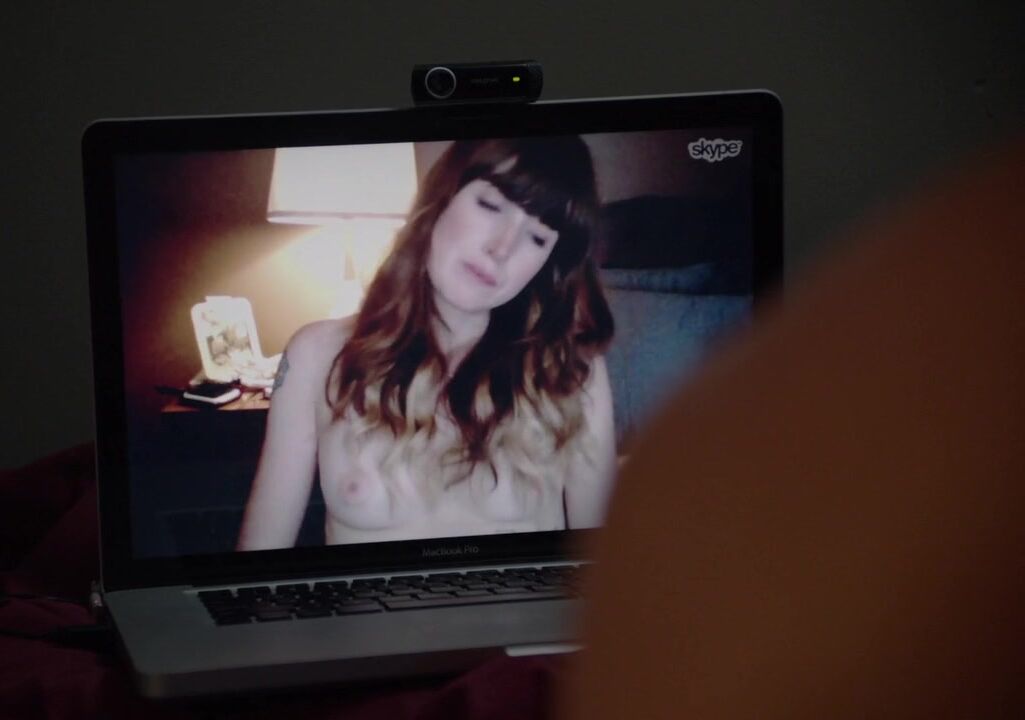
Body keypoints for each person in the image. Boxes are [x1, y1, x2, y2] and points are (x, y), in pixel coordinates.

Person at [238, 137, 617, 550]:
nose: (501, 248)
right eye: (490, 205)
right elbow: (260, 554)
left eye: (538, 237)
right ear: (443, 197)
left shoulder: (572, 371)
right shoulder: (315, 354)